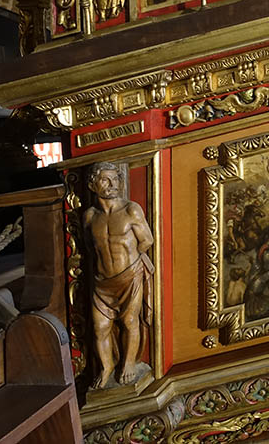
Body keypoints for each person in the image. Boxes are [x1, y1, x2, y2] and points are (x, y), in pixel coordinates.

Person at [83, 162, 154, 388]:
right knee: (100, 328)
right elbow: (89, 247)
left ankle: (129, 363)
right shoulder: (90, 216)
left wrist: (131, 261)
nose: (112, 184)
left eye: (115, 179)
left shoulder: (131, 210)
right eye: (105, 179)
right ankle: (106, 367)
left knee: (130, 321)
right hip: (102, 283)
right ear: (93, 185)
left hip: (129, 277)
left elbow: (147, 240)